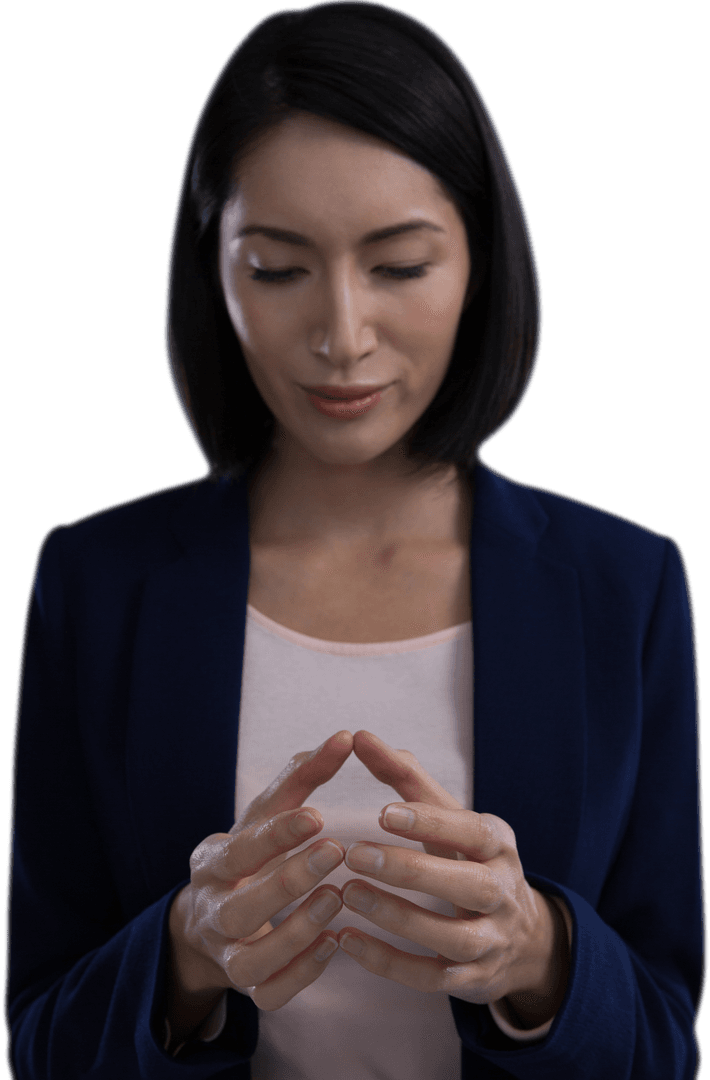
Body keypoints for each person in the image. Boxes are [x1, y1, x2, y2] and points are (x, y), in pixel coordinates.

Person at [5, 2, 703, 1077]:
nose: (340, 336)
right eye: (277, 269)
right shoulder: (96, 586)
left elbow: (663, 1041)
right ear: (214, 272)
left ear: (479, 261)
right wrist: (185, 956)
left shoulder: (624, 586)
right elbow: (40, 1040)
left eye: (399, 265)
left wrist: (535, 955)